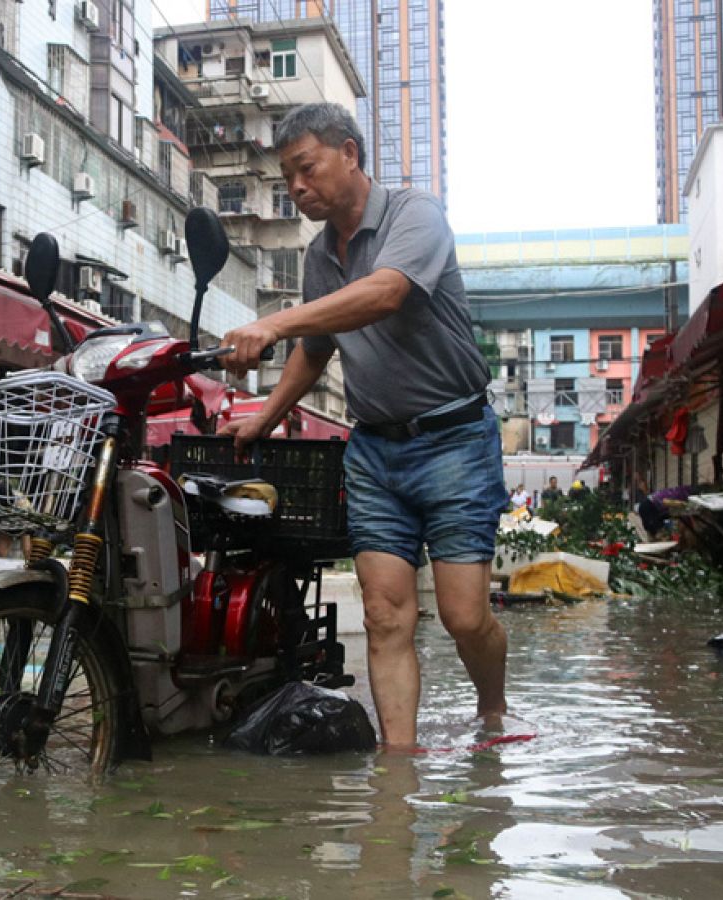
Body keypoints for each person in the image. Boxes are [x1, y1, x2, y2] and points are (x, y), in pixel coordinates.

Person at [217, 102, 508, 751]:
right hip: (375, 449)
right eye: (287, 177)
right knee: (383, 616)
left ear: (349, 153)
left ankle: (493, 709)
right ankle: (398, 768)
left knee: (464, 617)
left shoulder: (415, 214)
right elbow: (317, 348)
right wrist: (264, 419)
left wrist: (272, 322)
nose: (296, 188)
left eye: (306, 169)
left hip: (456, 438)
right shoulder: (321, 256)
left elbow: (386, 292)